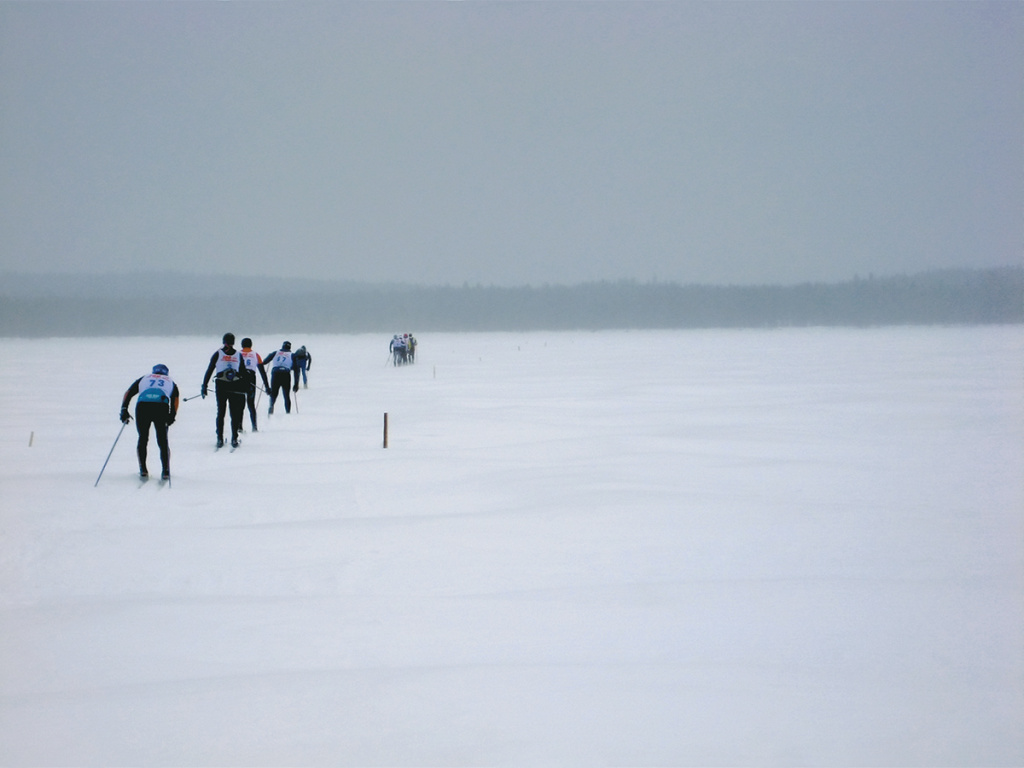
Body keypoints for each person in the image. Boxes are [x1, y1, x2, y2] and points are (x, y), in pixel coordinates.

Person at [120, 363, 179, 481]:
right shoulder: (170, 381)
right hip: (160, 407)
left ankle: (143, 469)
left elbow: (129, 393)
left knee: (143, 438)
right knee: (162, 440)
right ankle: (166, 471)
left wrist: (124, 409)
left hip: (142, 407)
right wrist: (172, 416)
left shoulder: (144, 378)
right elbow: (175, 399)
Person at [201, 332, 247, 448]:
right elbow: (243, 372)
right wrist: (246, 387)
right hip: (235, 385)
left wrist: (204, 386)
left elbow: (210, 370)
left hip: (221, 385)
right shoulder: (238, 355)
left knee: (221, 412)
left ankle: (220, 438)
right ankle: (234, 438)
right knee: (234, 413)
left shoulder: (218, 354)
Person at [239, 337, 271, 432]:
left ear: (242, 345)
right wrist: (267, 386)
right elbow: (262, 372)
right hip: (251, 378)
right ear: (251, 345)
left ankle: (239, 426)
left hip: (240, 379)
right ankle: (254, 427)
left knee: (240, 405)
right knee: (251, 404)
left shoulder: (237, 354)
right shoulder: (255, 355)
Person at [262, 340, 299, 414]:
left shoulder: (275, 352)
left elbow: (264, 362)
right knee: (286, 395)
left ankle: (271, 408)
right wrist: (296, 384)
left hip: (276, 374)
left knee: (274, 394)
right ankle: (288, 412)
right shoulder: (292, 355)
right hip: (285, 374)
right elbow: (296, 370)